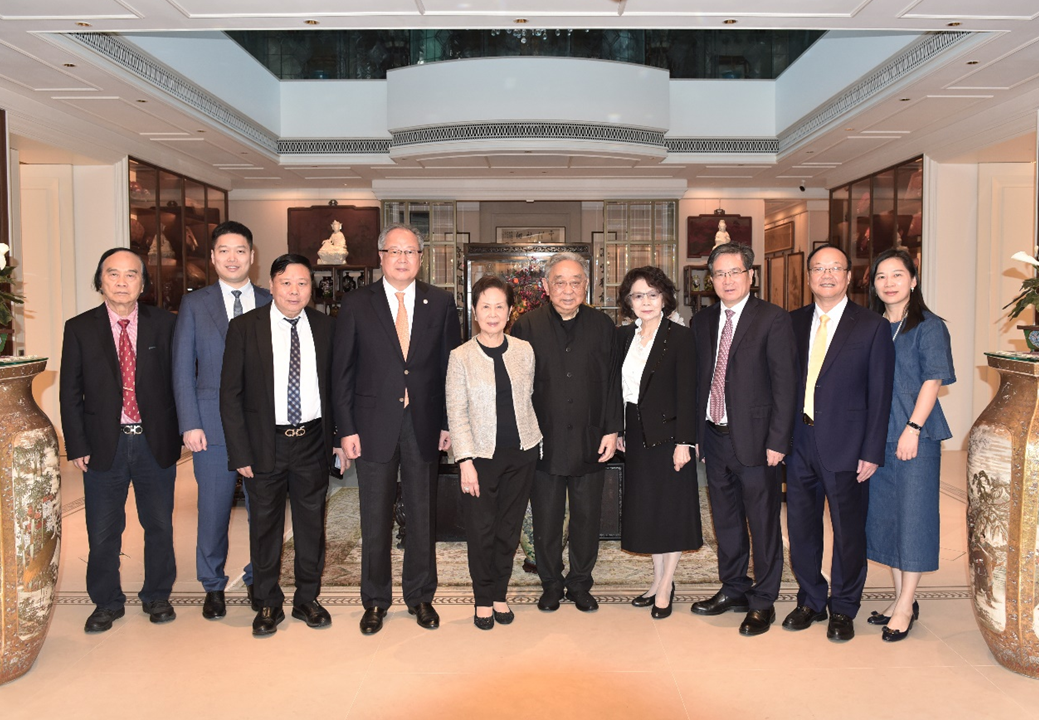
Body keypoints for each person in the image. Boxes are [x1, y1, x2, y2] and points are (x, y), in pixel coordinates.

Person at [333, 224, 461, 635]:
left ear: (421, 258)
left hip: (424, 423)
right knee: (375, 516)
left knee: (423, 514)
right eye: (394, 251)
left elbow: (450, 369)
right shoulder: (357, 303)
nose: (402, 258)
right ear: (381, 256)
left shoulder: (440, 303)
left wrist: (447, 423)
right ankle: (375, 600)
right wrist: (345, 429)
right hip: (371, 425)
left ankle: (420, 596)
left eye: (410, 251)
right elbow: (342, 371)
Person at [220, 254, 344, 637]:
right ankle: (268, 602)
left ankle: (307, 599)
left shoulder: (326, 327)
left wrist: (339, 440)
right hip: (264, 443)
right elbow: (230, 395)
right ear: (271, 285)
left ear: (312, 288)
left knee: (311, 526)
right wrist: (240, 452)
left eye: (303, 283)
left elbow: (338, 388)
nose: (294, 291)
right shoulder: (245, 328)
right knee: (265, 527)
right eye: (286, 282)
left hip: (312, 441)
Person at [59, 248, 181, 633]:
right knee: (103, 531)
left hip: (153, 441)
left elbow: (180, 382)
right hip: (103, 444)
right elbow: (69, 393)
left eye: (131, 275)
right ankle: (106, 602)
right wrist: (77, 444)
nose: (122, 282)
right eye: (113, 274)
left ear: (143, 283)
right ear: (100, 281)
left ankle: (157, 595)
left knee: (159, 525)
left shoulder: (166, 324)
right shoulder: (79, 328)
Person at [783, 245, 894, 642]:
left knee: (848, 532)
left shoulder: (872, 326)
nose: (826, 275)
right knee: (801, 527)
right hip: (798, 441)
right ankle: (811, 599)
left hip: (849, 445)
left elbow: (880, 394)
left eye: (835, 268)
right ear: (809, 276)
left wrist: (872, 450)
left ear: (849, 276)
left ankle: (844, 606)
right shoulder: (791, 322)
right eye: (818, 268)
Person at [690, 243, 798, 636]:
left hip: (758, 441)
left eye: (734, 272)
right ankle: (734, 587)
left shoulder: (772, 319)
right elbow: (699, 382)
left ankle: (763, 600)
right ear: (711, 280)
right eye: (719, 274)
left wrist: (778, 441)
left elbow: (786, 385)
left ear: (750, 276)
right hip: (714, 437)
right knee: (726, 520)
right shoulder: (702, 322)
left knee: (763, 523)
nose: (727, 280)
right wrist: (697, 435)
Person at [511, 252, 622, 613]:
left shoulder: (602, 326)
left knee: (587, 517)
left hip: (591, 437)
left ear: (587, 285)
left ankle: (580, 583)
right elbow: (517, 387)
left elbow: (613, 382)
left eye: (576, 282)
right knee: (547, 517)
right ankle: (551, 583)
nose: (568, 289)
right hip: (544, 439)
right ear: (546, 286)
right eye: (560, 282)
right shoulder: (527, 326)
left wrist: (611, 430)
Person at [172, 220, 271, 620]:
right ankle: (212, 584)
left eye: (240, 251)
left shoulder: (270, 301)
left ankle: (257, 577)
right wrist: (189, 422)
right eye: (224, 251)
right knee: (213, 510)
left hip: (261, 427)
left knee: (263, 509)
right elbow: (182, 368)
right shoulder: (195, 305)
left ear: (252, 256)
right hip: (210, 425)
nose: (233, 258)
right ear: (213, 257)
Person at [865, 248, 955, 642]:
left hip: (915, 435)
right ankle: (901, 596)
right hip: (877, 435)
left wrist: (913, 427)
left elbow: (933, 381)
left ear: (913, 281)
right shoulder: (873, 327)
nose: (889, 283)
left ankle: (906, 605)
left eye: (897, 275)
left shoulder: (929, 326)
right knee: (887, 517)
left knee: (914, 518)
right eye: (881, 276)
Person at [446, 276, 542, 630]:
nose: (492, 313)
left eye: (499, 306)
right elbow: (456, 412)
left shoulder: (524, 350)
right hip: (480, 459)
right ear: (474, 312)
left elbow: (530, 398)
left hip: (522, 454)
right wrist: (465, 461)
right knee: (481, 531)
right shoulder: (460, 357)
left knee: (508, 530)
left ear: (510, 310)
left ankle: (500, 594)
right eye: (485, 306)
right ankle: (483, 599)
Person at [615, 266, 701, 620]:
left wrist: (685, 442)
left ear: (664, 297)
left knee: (671, 512)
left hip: (669, 437)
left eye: (652, 294)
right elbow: (620, 389)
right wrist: (620, 429)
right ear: (629, 301)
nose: (646, 301)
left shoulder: (680, 337)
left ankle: (666, 585)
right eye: (638, 295)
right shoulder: (624, 337)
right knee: (649, 510)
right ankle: (656, 580)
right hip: (636, 434)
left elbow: (688, 393)